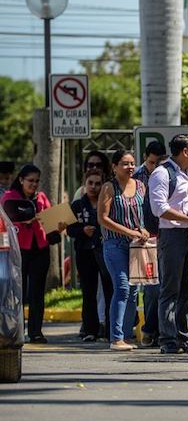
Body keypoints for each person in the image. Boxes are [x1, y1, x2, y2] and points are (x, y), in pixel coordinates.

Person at [149, 134, 188, 355]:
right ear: (184, 152)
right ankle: (168, 339)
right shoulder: (162, 173)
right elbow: (159, 209)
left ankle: (183, 336)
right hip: (172, 236)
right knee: (170, 288)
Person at [2, 165, 66, 343]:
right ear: (21, 180)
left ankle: (36, 332)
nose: (34, 184)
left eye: (37, 181)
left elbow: (51, 222)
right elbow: (5, 222)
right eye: (30, 181)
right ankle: (15, 330)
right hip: (18, 249)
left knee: (37, 291)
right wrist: (25, 220)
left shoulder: (42, 197)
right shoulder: (10, 198)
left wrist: (59, 226)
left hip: (40, 248)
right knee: (17, 292)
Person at [97, 150, 149, 351]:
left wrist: (142, 229)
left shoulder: (141, 186)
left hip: (136, 246)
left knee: (134, 291)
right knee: (122, 288)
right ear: (114, 167)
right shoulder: (109, 188)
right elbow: (103, 218)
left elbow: (142, 215)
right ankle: (116, 337)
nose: (130, 167)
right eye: (125, 163)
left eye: (132, 163)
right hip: (114, 245)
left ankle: (126, 336)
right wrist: (128, 232)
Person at [68, 169, 113, 343]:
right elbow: (70, 230)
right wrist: (82, 231)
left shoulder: (108, 203)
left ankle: (110, 330)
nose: (93, 187)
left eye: (97, 183)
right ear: (84, 185)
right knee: (88, 291)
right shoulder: (77, 205)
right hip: (85, 252)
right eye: (90, 183)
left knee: (110, 289)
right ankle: (90, 329)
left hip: (105, 250)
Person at [133, 140, 167, 347]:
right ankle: (148, 329)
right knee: (151, 288)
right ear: (146, 157)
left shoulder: (165, 174)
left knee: (165, 287)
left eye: (158, 163)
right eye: (152, 162)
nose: (155, 167)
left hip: (165, 235)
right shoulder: (137, 178)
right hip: (146, 236)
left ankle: (157, 329)